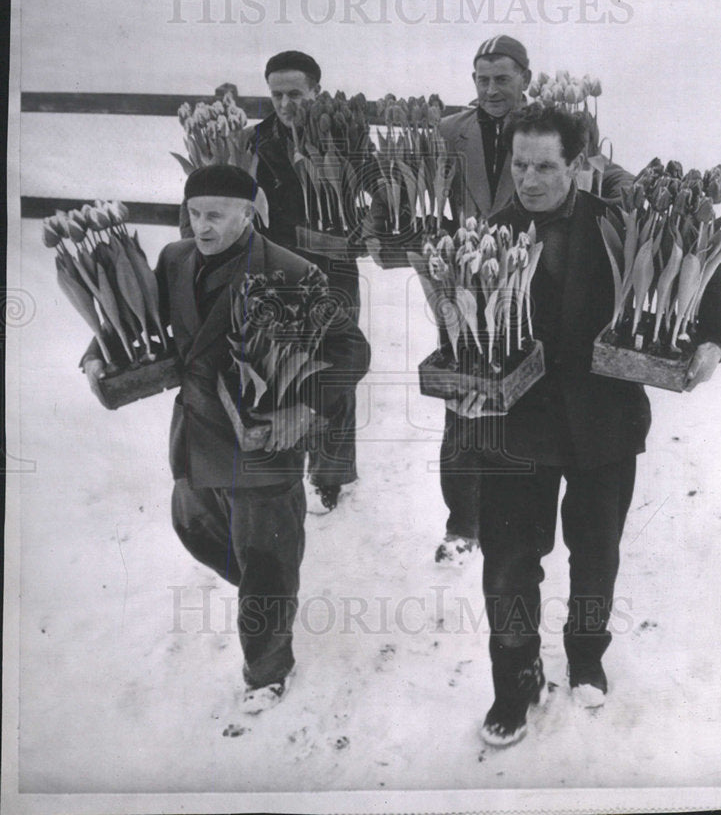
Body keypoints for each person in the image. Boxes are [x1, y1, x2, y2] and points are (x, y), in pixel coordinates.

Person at [444, 103, 721, 747]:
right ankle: (515, 681)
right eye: (520, 165)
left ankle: (585, 653)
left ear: (578, 165)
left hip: (603, 424)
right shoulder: (490, 235)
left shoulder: (617, 223)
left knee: (595, 550)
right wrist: (464, 398)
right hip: (517, 430)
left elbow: (700, 269)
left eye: (546, 166)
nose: (530, 179)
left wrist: (713, 340)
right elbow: (459, 339)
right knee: (510, 563)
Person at [83, 165, 370, 714]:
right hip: (196, 436)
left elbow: (352, 350)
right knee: (197, 530)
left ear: (250, 211)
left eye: (216, 214)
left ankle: (266, 669)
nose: (202, 226)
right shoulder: (173, 260)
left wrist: (305, 405)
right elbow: (141, 322)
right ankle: (268, 591)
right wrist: (98, 354)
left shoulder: (292, 272)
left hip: (263, 443)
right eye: (193, 214)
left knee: (263, 565)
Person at [435, 35, 634, 567]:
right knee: (466, 410)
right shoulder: (451, 131)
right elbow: (421, 192)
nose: (490, 89)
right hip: (483, 276)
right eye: (481, 79)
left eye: (502, 78)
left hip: (546, 280)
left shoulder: (552, 129)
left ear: (525, 79)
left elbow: (608, 177)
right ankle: (464, 521)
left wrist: (629, 197)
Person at [252, 50, 363, 514]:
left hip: (333, 267)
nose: (284, 103)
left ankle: (332, 473)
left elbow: (374, 196)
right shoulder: (257, 141)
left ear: (315, 91)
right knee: (288, 367)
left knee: (335, 367)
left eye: (294, 93)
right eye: (276, 94)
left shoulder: (344, 135)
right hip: (279, 271)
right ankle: (286, 465)